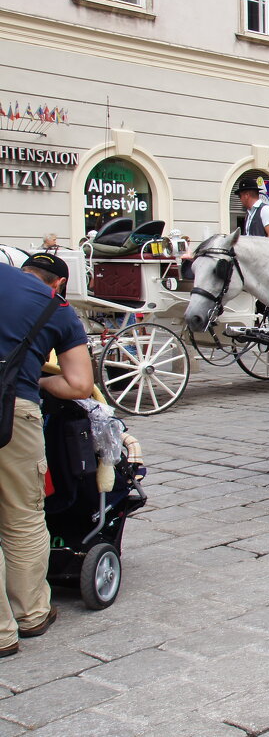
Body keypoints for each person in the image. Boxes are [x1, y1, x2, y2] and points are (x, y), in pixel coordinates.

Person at [0, 254, 93, 658]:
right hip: (13, 411)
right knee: (22, 516)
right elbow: (80, 384)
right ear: (57, 284)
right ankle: (31, 614)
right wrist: (39, 380)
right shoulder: (56, 308)